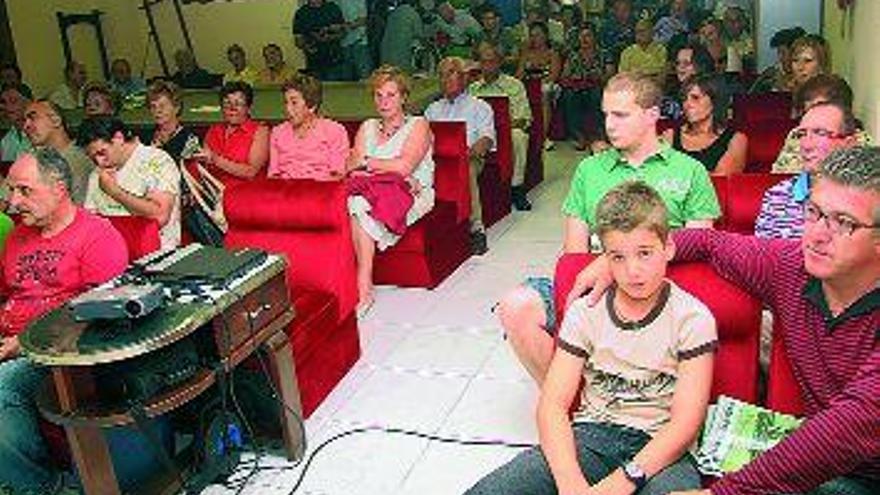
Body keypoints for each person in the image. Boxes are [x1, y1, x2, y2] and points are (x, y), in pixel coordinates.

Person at [575, 146, 880, 495]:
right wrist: (618, 258)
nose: (817, 234)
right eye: (813, 212)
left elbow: (851, 425)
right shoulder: (791, 266)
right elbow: (709, 243)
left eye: (844, 223)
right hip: (828, 469)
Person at [467, 181, 715, 495]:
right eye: (618, 257)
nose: (633, 270)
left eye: (645, 253)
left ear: (668, 248)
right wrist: (571, 485)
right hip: (593, 436)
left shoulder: (693, 318)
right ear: (605, 258)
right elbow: (553, 405)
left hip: (663, 449)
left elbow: (685, 424)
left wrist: (619, 484)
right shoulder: (586, 312)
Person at [497, 72, 720, 384]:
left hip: (658, 282)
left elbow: (699, 245)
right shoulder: (590, 169)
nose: (610, 125)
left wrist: (618, 260)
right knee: (515, 306)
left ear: (652, 115)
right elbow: (575, 252)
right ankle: (568, 397)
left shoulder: (690, 171)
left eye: (621, 115)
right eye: (606, 115)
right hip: (592, 285)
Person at [0, 148, 128, 494]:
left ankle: (42, 487)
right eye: (11, 190)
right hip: (12, 342)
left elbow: (103, 314)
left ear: (59, 189)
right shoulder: (17, 237)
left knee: (2, 385)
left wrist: (26, 343)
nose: (13, 201)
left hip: (59, 352)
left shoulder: (97, 236)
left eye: (25, 190)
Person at [347, 65, 435, 317]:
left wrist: (368, 163)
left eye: (391, 95)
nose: (383, 101)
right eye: (378, 95)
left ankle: (363, 285)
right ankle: (362, 284)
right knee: (356, 202)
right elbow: (353, 170)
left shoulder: (418, 125)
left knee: (357, 204)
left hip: (416, 193)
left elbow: (406, 165)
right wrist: (391, 173)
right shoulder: (367, 126)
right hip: (376, 190)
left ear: (404, 97)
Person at [424, 56, 495, 255]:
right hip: (436, 160)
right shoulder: (432, 109)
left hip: (470, 158)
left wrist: (468, 153)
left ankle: (476, 228)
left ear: (464, 78)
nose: (444, 79)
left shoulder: (480, 106)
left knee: (466, 167)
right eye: (441, 75)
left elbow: (487, 140)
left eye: (450, 74)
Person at [755, 101, 856, 240]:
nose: (806, 145)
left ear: (848, 144)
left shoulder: (869, 197)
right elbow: (766, 258)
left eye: (820, 133)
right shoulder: (778, 196)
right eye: (802, 134)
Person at [78, 117, 181, 250]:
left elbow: (159, 216)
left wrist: (115, 192)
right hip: (110, 252)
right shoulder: (97, 174)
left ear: (119, 138)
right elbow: (91, 222)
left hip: (156, 255)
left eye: (102, 153)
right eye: (92, 157)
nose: (99, 162)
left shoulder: (157, 161)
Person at [470, 42, 532, 211]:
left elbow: (524, 119)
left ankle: (517, 188)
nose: (487, 66)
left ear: (499, 63)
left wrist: (500, 127)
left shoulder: (514, 85)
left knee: (519, 136)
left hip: (508, 129)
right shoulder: (473, 89)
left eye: (491, 61)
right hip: (481, 134)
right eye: (483, 62)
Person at [772, 74, 872, 174]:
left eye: (820, 132)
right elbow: (778, 174)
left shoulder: (860, 141)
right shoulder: (796, 134)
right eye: (808, 110)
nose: (806, 145)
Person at [268, 73, 349, 181]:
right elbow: (273, 175)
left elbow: (338, 175)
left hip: (321, 191)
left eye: (294, 103)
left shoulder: (335, 131)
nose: (288, 109)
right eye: (285, 102)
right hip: (285, 192)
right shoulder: (277, 132)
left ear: (312, 106)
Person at [663, 74, 747, 174]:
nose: (687, 104)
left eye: (695, 98)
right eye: (684, 99)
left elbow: (721, 181)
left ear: (714, 101)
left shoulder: (736, 140)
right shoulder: (670, 135)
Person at [197, 81, 270, 189]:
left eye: (238, 103)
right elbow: (203, 168)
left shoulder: (260, 131)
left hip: (246, 192)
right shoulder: (214, 130)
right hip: (213, 193)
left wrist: (215, 159)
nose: (232, 108)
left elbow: (251, 172)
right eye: (227, 103)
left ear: (248, 108)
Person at [22, 99, 93, 204]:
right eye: (25, 120)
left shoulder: (80, 158)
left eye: (33, 118)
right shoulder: (29, 157)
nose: (25, 126)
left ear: (56, 121)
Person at [558, 26, 604, 151]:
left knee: (596, 95)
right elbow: (564, 76)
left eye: (588, 36)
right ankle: (578, 136)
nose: (584, 39)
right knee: (569, 95)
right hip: (576, 88)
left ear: (594, 38)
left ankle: (596, 135)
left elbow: (609, 76)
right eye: (581, 36)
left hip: (597, 87)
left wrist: (598, 77)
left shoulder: (603, 54)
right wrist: (573, 80)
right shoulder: (573, 55)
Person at [142, 80, 201, 163]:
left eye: (162, 106)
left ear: (176, 108)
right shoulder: (146, 137)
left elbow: (189, 172)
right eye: (153, 106)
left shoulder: (190, 139)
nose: (157, 110)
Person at [293, 0, 346, 81]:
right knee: (315, 90)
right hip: (314, 62)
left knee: (335, 90)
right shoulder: (301, 13)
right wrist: (307, 46)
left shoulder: (332, 8)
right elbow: (298, 40)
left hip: (335, 60)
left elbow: (343, 33)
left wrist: (328, 37)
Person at [661, 42, 715, 120]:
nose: (680, 67)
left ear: (701, 65)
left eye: (686, 63)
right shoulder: (670, 92)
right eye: (678, 63)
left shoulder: (713, 93)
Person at [750, 27, 806, 93]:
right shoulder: (771, 76)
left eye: (783, 53)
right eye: (778, 52)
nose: (779, 57)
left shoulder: (808, 77)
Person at [379, 0, 424, 73]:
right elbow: (420, 36)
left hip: (385, 61)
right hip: (402, 63)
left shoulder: (392, 14)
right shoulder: (413, 14)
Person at [618, 18, 667, 83]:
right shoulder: (627, 52)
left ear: (652, 33)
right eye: (637, 32)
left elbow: (661, 72)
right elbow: (623, 75)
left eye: (643, 31)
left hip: (653, 86)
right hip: (632, 86)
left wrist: (640, 74)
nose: (640, 34)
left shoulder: (660, 50)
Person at [334, 0, 372, 80]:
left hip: (360, 40)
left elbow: (364, 19)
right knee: (346, 77)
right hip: (343, 42)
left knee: (364, 76)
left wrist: (345, 26)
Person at [599, 0, 636, 76]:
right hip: (612, 60)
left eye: (625, 10)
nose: (621, 13)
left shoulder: (636, 25)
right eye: (617, 10)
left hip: (633, 60)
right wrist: (609, 61)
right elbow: (602, 47)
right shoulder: (606, 27)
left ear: (631, 10)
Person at [0, 83, 33, 161]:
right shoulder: (8, 136)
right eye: (4, 102)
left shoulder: (40, 133)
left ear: (29, 103)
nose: (7, 107)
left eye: (13, 101)